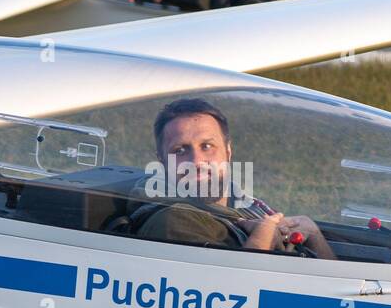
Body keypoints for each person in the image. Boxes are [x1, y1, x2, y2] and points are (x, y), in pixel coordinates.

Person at [134, 98, 334, 258]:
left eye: (207, 146)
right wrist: (261, 240)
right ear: (162, 162)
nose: (197, 161)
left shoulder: (243, 205)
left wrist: (314, 235)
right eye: (180, 150)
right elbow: (221, 300)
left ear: (228, 152)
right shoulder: (172, 221)